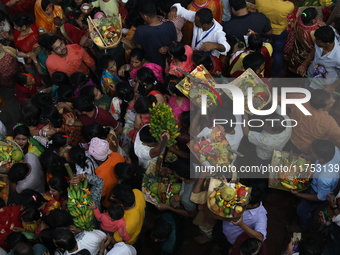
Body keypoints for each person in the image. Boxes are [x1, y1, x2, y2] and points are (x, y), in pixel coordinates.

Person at [291, 139, 340, 230]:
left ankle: (304, 227)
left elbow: (320, 198)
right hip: (321, 184)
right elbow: (318, 158)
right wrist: (308, 157)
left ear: (321, 158)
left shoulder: (324, 178)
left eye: (312, 152)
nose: (310, 152)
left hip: (317, 191)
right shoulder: (334, 149)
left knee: (301, 211)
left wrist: (298, 194)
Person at [285, 89, 340, 154]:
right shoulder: (328, 123)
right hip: (305, 150)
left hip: (287, 137)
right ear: (322, 107)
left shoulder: (300, 98)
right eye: (330, 103)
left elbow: (277, 99)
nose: (334, 100)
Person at [219, 187, 267, 253]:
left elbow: (260, 237)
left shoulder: (260, 216)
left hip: (231, 238)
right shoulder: (245, 193)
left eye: (246, 203)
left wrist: (241, 224)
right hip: (222, 224)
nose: (242, 202)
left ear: (255, 205)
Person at [132, 0, 177, 68]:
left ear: (145, 16)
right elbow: (175, 43)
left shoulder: (141, 30)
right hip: (170, 63)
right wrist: (167, 47)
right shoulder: (170, 25)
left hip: (152, 65)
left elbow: (139, 48)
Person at [256, 0, 294, 77]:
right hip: (279, 32)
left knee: (261, 51)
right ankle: (276, 74)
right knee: (278, 53)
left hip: (264, 31)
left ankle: (260, 72)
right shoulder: (289, 6)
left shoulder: (259, 1)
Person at [88, 137, 124, 207]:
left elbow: (101, 197)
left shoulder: (100, 176)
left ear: (93, 157)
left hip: (108, 203)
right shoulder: (116, 155)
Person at [287, 8, 324, 75]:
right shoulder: (313, 32)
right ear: (313, 21)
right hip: (307, 56)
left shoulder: (298, 22)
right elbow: (315, 48)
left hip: (297, 51)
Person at [109, 82, 136, 154]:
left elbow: (114, 117)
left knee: (125, 152)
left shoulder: (116, 101)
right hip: (136, 130)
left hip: (124, 131)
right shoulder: (139, 99)